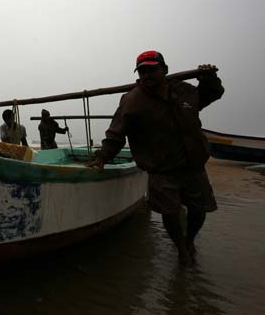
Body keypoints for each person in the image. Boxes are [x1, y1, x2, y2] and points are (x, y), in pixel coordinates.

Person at [87, 50, 224, 266]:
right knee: (169, 212)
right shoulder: (132, 100)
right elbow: (116, 133)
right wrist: (102, 156)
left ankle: (189, 240)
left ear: (165, 70)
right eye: (142, 71)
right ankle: (181, 249)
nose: (147, 75)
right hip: (161, 169)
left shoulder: (184, 91)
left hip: (193, 166)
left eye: (152, 69)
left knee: (198, 210)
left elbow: (212, 94)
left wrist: (209, 78)